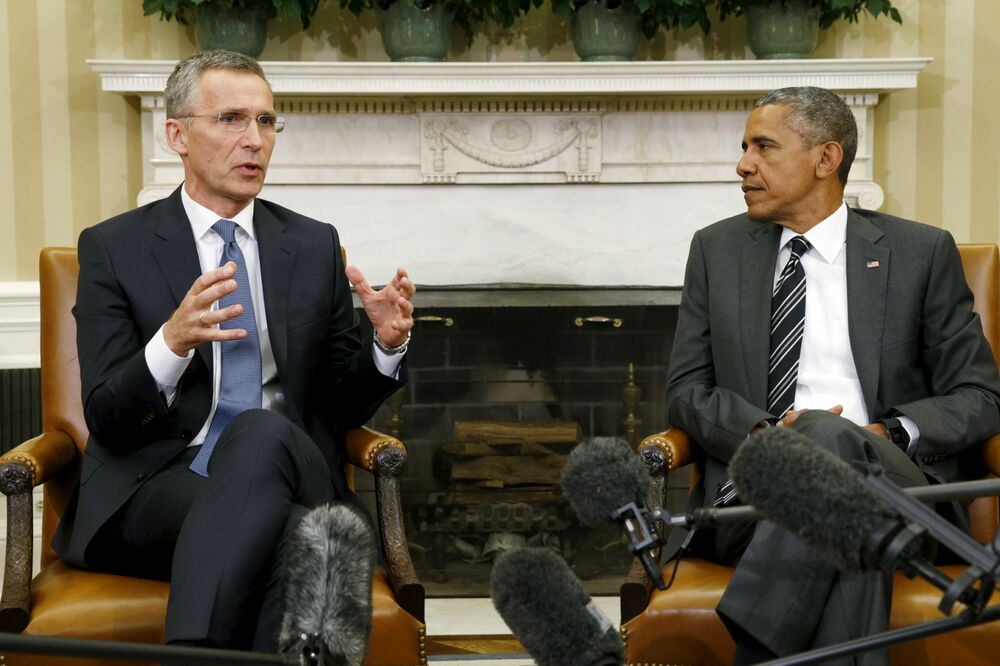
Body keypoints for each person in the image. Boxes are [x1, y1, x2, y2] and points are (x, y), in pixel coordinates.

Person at [52, 49, 415, 653]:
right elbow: (107, 417)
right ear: (177, 135)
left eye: (267, 122)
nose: (255, 140)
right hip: (157, 483)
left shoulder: (311, 244)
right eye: (230, 120)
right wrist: (170, 343)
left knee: (258, 433)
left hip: (292, 467)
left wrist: (384, 345)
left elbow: (339, 403)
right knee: (304, 540)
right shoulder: (116, 248)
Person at [665, 86, 1000, 665]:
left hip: (901, 488)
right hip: (757, 493)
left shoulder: (918, 252)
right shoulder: (717, 250)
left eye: (764, 147)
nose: (742, 164)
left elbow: (980, 396)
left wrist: (890, 433)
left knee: (825, 435)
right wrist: (768, 437)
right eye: (745, 147)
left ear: (826, 158)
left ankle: (756, 647)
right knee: (836, 493)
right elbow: (686, 392)